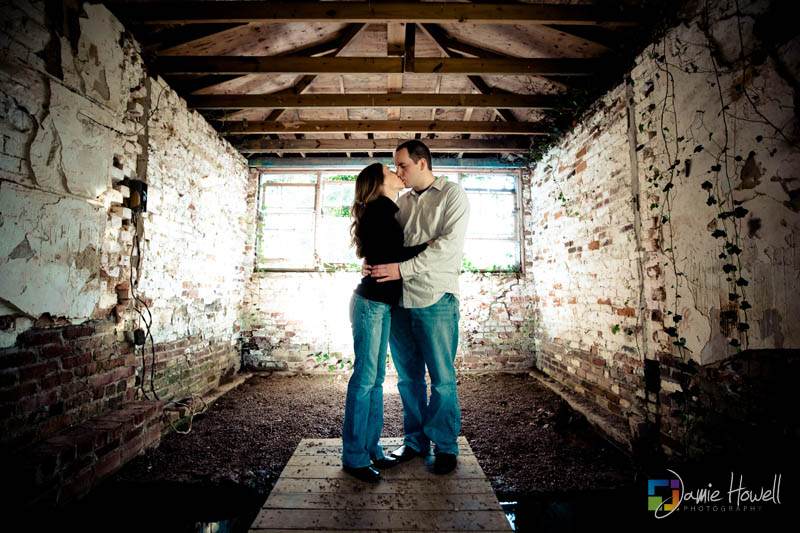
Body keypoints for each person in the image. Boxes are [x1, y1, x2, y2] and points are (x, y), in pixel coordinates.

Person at [368, 140, 470, 475]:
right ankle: (414, 442)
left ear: (422, 163)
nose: (398, 172)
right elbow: (394, 246)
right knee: (408, 379)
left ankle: (445, 447)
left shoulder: (452, 195)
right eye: (396, 167)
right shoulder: (401, 201)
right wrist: (374, 264)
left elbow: (446, 247)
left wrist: (402, 265)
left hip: (436, 298)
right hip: (399, 300)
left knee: (441, 378)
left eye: (402, 166)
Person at [342, 162, 430, 483]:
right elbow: (395, 254)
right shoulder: (379, 211)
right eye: (390, 169)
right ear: (379, 182)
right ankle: (353, 457)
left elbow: (383, 253)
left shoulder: (383, 210)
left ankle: (371, 448)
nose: (397, 171)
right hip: (370, 305)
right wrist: (431, 244)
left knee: (376, 380)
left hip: (380, 306)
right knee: (365, 381)